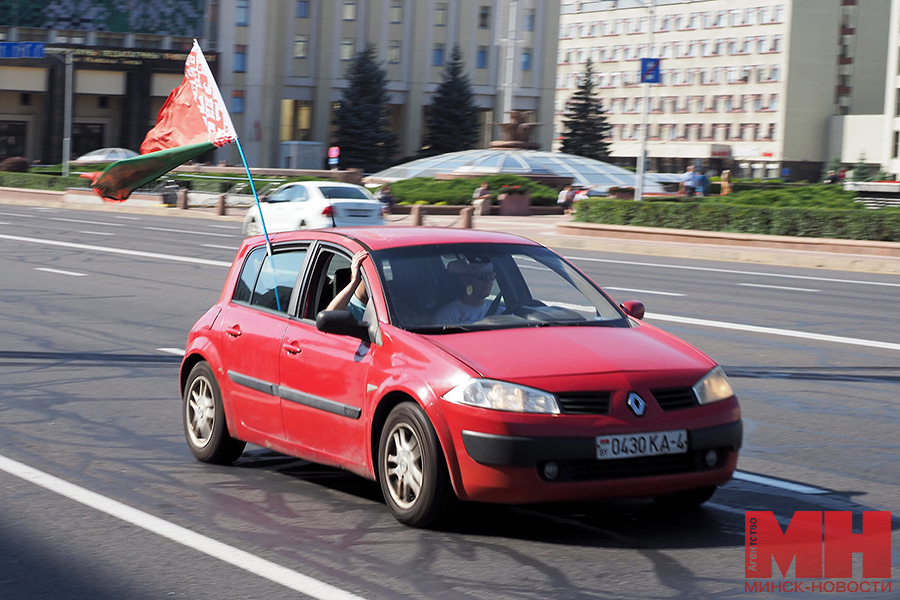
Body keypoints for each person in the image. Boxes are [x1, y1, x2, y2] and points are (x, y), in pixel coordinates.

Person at [432, 255, 496, 325]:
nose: (488, 281)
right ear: (465, 280)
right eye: (481, 276)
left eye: (491, 276)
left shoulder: (500, 311)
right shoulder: (447, 316)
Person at [326, 251, 369, 321]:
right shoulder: (348, 307)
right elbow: (328, 318)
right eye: (365, 276)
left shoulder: (387, 303)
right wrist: (354, 281)